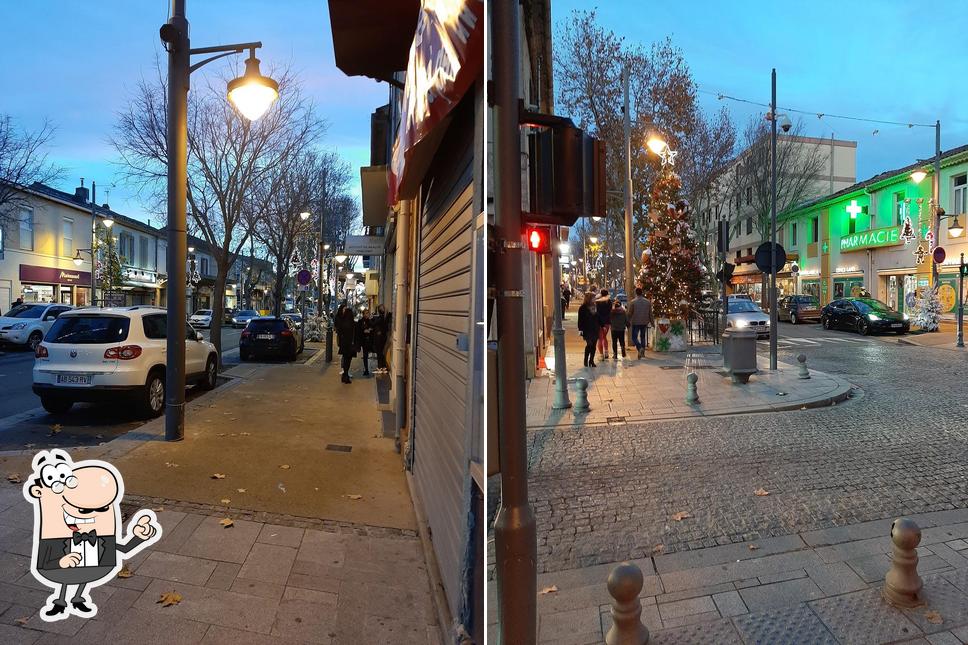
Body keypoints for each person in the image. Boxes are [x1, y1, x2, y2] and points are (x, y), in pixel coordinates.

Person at [627, 287, 654, 359]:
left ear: (636, 293)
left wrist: (627, 321)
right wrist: (652, 323)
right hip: (644, 322)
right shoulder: (647, 302)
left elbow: (630, 313)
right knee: (643, 337)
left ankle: (639, 348)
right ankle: (643, 353)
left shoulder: (633, 302)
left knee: (634, 337)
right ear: (642, 293)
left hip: (636, 322)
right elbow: (650, 313)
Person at [334, 304, 357, 384]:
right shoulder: (351, 323)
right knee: (348, 360)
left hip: (344, 344)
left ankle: (345, 375)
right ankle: (345, 375)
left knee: (345, 359)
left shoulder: (343, 322)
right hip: (350, 345)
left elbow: (338, 330)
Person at [577, 291, 600, 367]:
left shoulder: (596, 307)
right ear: (589, 299)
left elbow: (598, 318)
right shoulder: (582, 308)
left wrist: (602, 325)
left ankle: (591, 361)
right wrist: (580, 330)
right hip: (587, 329)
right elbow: (580, 320)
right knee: (589, 344)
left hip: (595, 329)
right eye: (593, 298)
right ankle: (586, 359)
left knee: (594, 345)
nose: (595, 299)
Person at [594, 289, 613, 360]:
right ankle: (606, 352)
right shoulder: (609, 302)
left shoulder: (598, 302)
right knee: (604, 337)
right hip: (607, 322)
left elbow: (596, 312)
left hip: (599, 322)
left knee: (600, 338)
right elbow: (610, 311)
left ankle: (601, 355)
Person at [355, 308, 374, 377]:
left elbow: (372, 329)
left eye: (368, 313)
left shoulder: (370, 321)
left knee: (368, 354)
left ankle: (367, 369)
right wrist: (364, 331)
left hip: (370, 340)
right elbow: (359, 331)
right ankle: (366, 369)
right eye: (366, 313)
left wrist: (369, 330)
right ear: (363, 314)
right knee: (365, 355)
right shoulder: (360, 321)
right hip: (364, 341)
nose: (367, 314)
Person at [372, 305, 390, 373]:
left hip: (380, 338)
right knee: (380, 352)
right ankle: (382, 366)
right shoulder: (384, 317)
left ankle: (381, 367)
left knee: (379, 352)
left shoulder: (381, 318)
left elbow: (373, 324)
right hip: (382, 337)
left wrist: (370, 319)